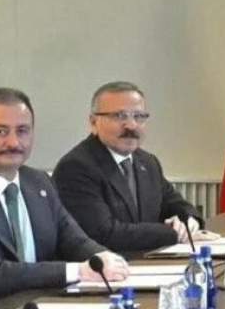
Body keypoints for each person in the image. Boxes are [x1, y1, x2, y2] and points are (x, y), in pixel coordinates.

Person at [0, 87, 128, 299]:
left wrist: (106, 259)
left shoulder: (38, 182)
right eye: (0, 132)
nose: (14, 142)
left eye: (22, 131)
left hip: (43, 303)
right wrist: (78, 271)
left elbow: (74, 241)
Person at [52, 81, 215, 252]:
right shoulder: (76, 167)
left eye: (139, 116)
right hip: (105, 265)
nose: (131, 125)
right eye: (119, 116)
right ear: (93, 123)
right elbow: (104, 234)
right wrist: (173, 233)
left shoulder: (147, 162)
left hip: (147, 260)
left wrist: (189, 221)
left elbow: (174, 203)